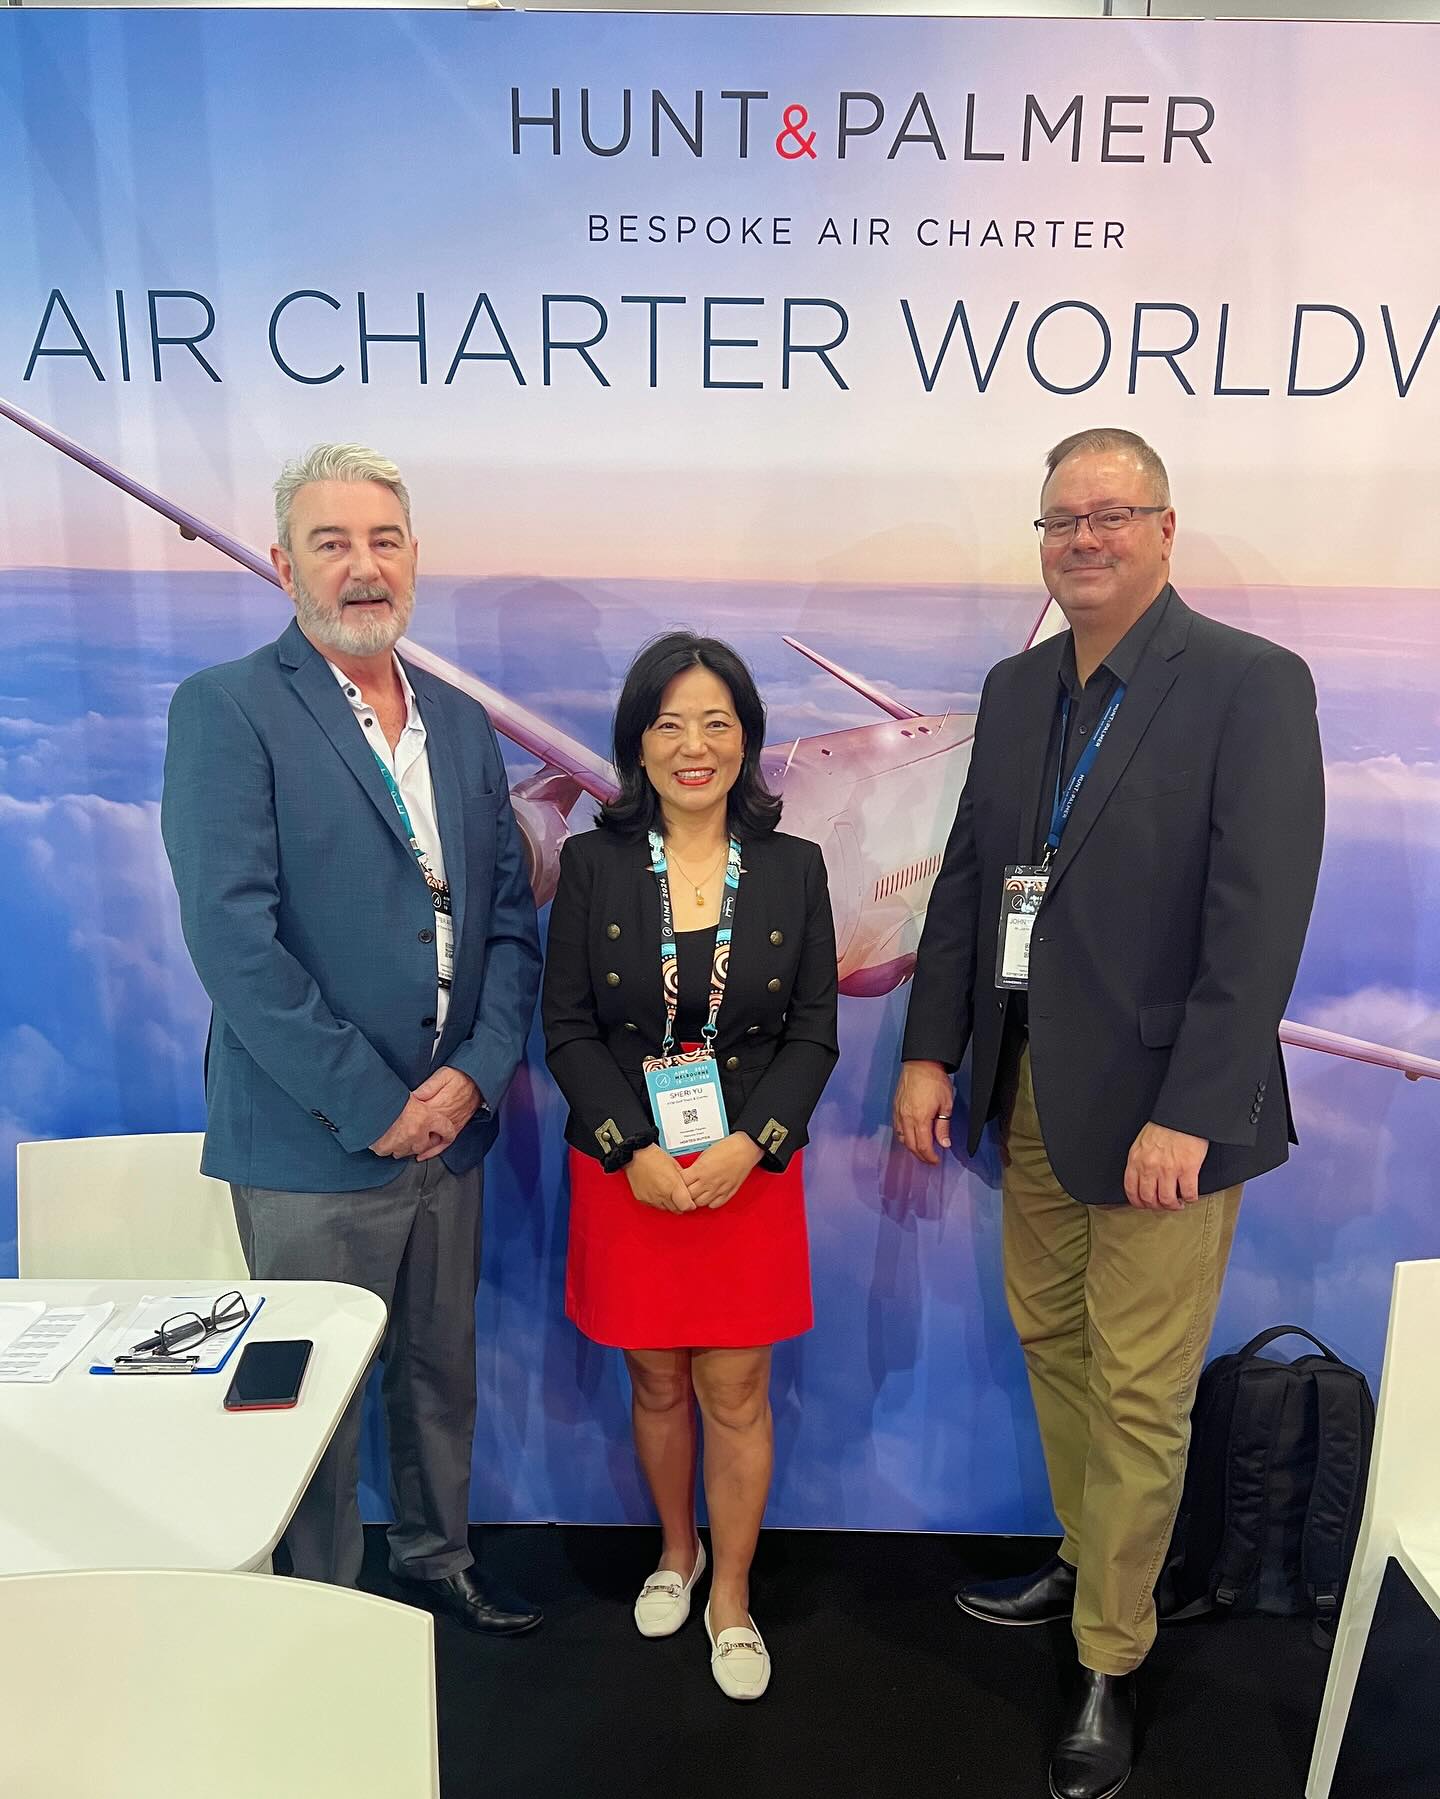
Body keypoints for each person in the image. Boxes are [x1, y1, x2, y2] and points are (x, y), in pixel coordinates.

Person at [894, 428, 1324, 1799]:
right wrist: (931, 1049)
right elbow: (973, 880)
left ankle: (1109, 1656)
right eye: (1062, 519)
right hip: (1031, 1086)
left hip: (1164, 1118)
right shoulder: (1020, 688)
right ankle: (1092, 1559)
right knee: (1055, 1344)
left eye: (1111, 514)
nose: (1084, 538)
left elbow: (1259, 922)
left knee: (1140, 1389)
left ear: (1165, 528)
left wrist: (1191, 1110)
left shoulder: (1251, 683)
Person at [161, 444, 543, 1633]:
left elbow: (509, 924)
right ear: (285, 566)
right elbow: (234, 942)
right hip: (314, 1138)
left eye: (383, 540)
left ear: (414, 556)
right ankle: (316, 1615)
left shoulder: (463, 726)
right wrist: (377, 1104)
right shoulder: (229, 708)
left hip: (451, 1129)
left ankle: (438, 1557)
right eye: (331, 543)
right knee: (311, 1400)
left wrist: (471, 1078)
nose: (362, 566)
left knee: (439, 1369)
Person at [543, 632, 838, 1700]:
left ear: (746, 739)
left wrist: (748, 1147)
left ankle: (734, 1597)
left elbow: (814, 1033)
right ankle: (679, 1551)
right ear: (638, 742)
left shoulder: (796, 868)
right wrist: (629, 1151)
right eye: (669, 723)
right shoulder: (594, 865)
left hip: (744, 1172)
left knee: (736, 1386)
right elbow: (568, 1027)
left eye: (716, 722)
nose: (693, 745)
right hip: (629, 1171)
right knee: (656, 1378)